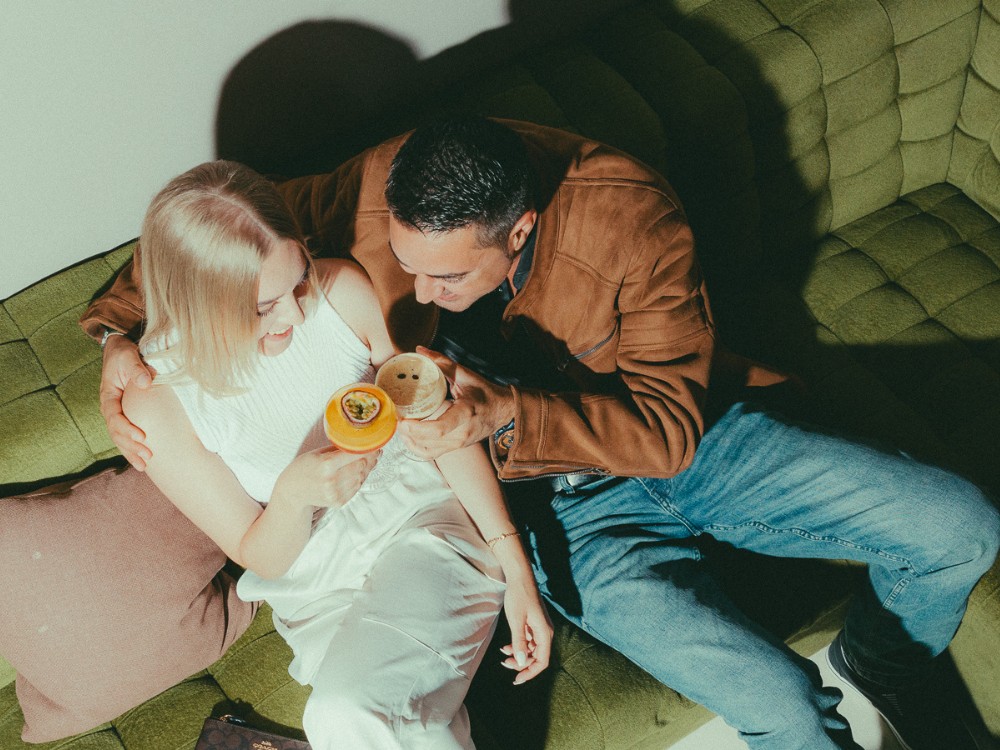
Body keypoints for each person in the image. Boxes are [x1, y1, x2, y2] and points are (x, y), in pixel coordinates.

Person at [84, 117, 999, 750]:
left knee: (961, 525)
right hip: (566, 523)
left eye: (448, 280)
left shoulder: (630, 215)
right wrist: (117, 342)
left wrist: (507, 413)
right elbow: (207, 235)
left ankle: (884, 657)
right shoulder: (380, 198)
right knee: (784, 707)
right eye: (406, 266)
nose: (422, 306)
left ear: (517, 232)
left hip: (680, 446)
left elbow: (672, 432)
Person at [115, 159, 552, 750]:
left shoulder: (340, 290)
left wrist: (514, 566)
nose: (297, 311)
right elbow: (258, 554)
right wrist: (295, 494)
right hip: (318, 592)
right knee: (398, 729)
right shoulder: (157, 404)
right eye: (264, 306)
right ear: (200, 304)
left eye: (296, 280)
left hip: (424, 525)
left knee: (345, 717)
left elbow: (438, 423)